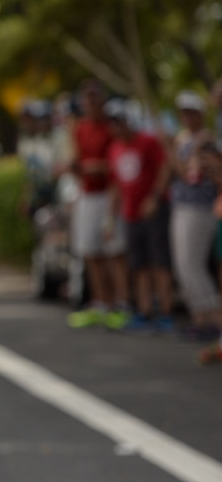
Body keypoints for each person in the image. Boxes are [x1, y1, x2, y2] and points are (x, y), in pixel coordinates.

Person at [103, 99, 175, 332]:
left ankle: (165, 312)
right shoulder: (114, 149)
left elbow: (164, 168)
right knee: (139, 264)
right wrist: (110, 218)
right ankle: (143, 311)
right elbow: (115, 185)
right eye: (112, 123)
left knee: (159, 262)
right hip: (130, 213)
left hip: (154, 210)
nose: (117, 127)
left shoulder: (147, 141)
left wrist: (154, 197)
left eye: (120, 121)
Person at [65, 80, 130, 329]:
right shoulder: (79, 127)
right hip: (87, 194)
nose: (90, 101)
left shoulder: (111, 126)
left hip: (110, 195)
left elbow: (117, 160)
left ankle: (121, 304)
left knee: (114, 251)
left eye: (94, 96)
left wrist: (96, 167)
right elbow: (76, 159)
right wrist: (77, 168)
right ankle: (100, 304)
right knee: (91, 252)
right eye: (86, 97)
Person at [167, 91, 221, 341]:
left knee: (193, 265)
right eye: (184, 112)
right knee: (183, 266)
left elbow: (189, 173)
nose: (187, 117)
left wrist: (170, 153)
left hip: (199, 209)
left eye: (192, 112)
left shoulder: (205, 139)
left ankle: (213, 319)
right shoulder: (182, 138)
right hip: (181, 206)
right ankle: (200, 319)